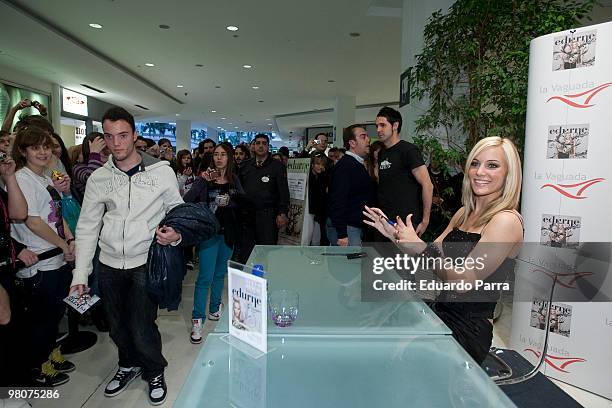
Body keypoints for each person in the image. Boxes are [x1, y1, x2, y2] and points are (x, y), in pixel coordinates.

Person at [364, 136, 524, 364]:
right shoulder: (463, 213)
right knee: (377, 335)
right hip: (440, 311)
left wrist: (420, 249)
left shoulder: (505, 221)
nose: (480, 172)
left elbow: (464, 281)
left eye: (492, 165)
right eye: (475, 163)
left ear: (509, 174)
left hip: (467, 327)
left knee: (394, 358)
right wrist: (396, 236)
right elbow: (431, 255)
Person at [69, 106, 183, 405]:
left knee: (142, 325)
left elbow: (177, 212)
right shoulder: (99, 178)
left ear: (134, 135)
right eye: (109, 136)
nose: (116, 143)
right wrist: (80, 274)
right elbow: (87, 227)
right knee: (117, 326)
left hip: (144, 262)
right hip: (107, 264)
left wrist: (176, 234)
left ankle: (154, 369)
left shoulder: (161, 172)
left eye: (122, 135)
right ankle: (128, 364)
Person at [10, 126, 76, 386]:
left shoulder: (47, 177)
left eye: (45, 146)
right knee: (42, 318)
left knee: (54, 313)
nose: (42, 152)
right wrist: (62, 244)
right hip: (39, 259)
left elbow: (57, 214)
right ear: (24, 151)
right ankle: (39, 367)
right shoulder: (22, 179)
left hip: (56, 255)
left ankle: (52, 354)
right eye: (35, 147)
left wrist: (69, 240)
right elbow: (33, 222)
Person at [184, 143, 244, 344]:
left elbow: (244, 204)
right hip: (209, 234)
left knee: (220, 275)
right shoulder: (205, 179)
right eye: (216, 154)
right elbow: (188, 199)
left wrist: (231, 201)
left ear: (229, 158)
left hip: (228, 234)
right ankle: (197, 319)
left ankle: (215, 308)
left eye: (223, 154)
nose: (219, 158)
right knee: (204, 278)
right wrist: (202, 181)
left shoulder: (234, 179)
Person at [375, 106, 433, 236]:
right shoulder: (382, 153)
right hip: (387, 223)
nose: (378, 130)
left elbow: (427, 185)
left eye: (383, 125)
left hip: (407, 224)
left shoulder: (408, 150)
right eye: (377, 126)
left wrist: (425, 221)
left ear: (395, 125)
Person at [239, 134, 289, 252]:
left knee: (266, 250)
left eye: (264, 143)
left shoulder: (277, 166)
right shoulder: (245, 166)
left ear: (268, 146)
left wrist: (282, 212)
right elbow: (239, 189)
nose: (261, 146)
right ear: (253, 146)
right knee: (247, 249)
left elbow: (283, 191)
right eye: (258, 143)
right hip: (247, 215)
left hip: (268, 216)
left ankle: (266, 270)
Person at [327, 125, 374, 246]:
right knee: (348, 264)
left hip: (354, 226)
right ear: (352, 143)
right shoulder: (345, 166)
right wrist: (342, 234)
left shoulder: (356, 164)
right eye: (363, 136)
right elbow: (338, 200)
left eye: (367, 136)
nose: (368, 140)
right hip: (347, 228)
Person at [72, 132, 109, 204]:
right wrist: (95, 154)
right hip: (91, 209)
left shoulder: (110, 166)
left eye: (105, 148)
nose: (104, 152)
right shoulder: (78, 168)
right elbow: (92, 179)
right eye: (99, 149)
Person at [307, 153, 330, 246]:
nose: (320, 167)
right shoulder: (308, 177)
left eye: (322, 164)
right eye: (318, 164)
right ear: (312, 164)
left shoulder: (325, 177)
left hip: (321, 214)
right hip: (308, 213)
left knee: (318, 239)